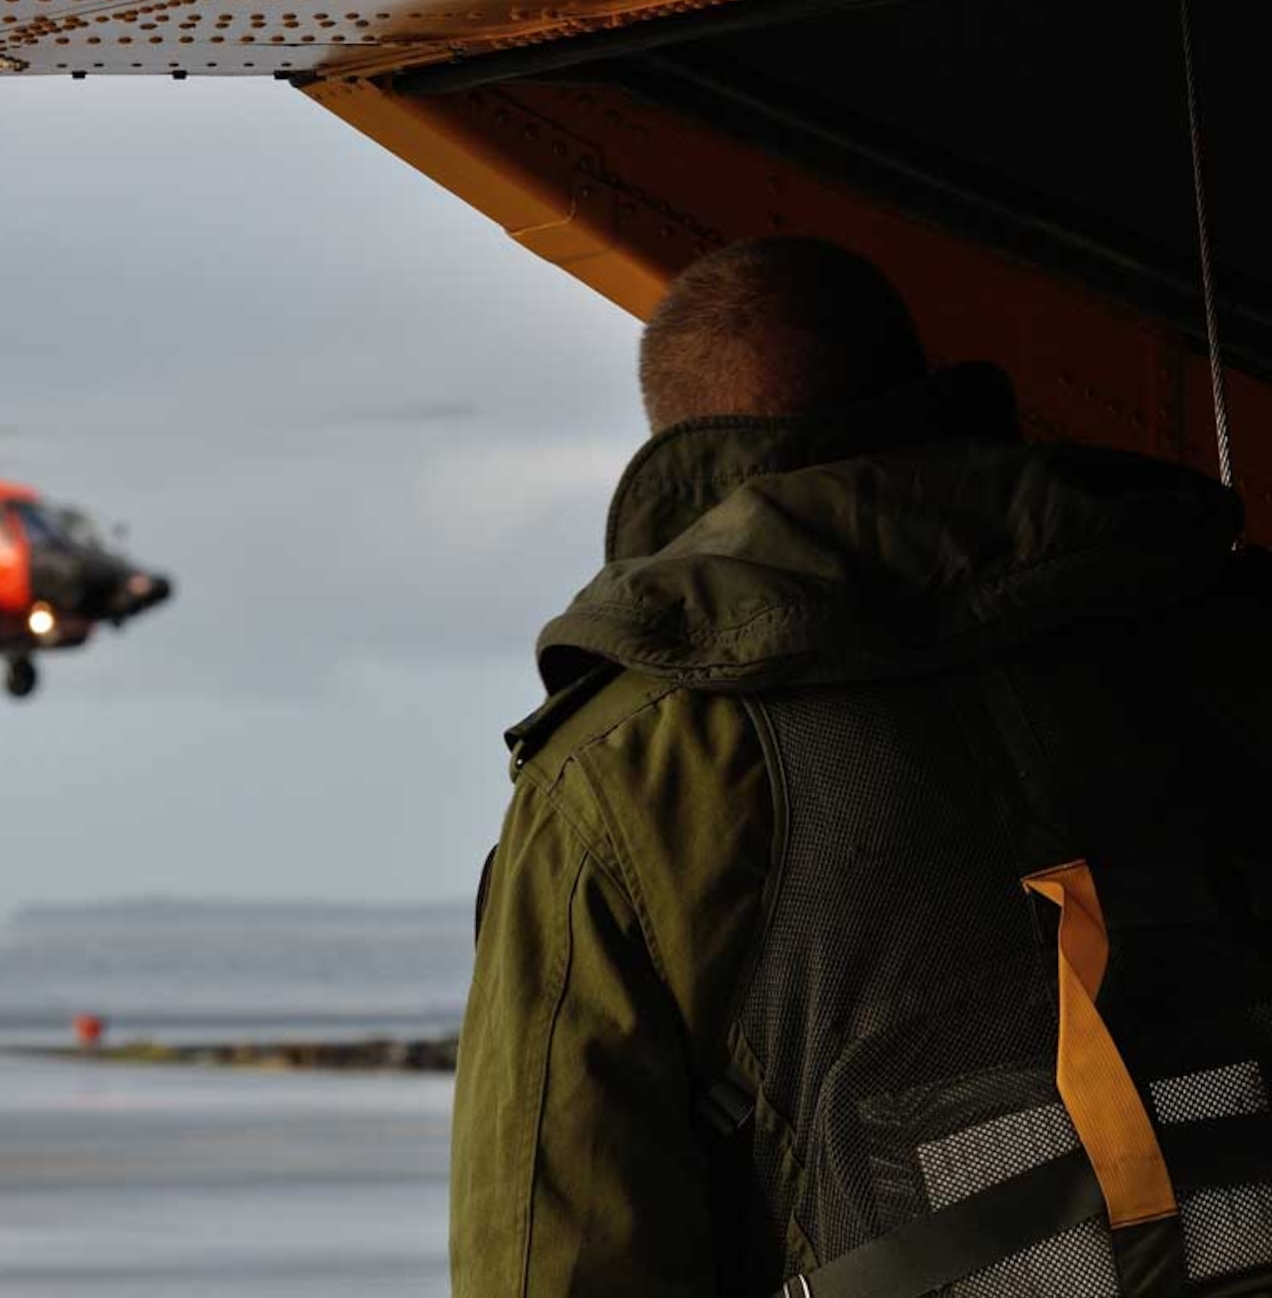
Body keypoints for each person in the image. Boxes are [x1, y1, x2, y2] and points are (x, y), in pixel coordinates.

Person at [452, 237, 1272, 1296]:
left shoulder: (628, 768)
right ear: (924, 393)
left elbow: (552, 1255)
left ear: (677, 450)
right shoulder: (1225, 627)